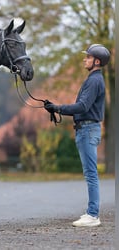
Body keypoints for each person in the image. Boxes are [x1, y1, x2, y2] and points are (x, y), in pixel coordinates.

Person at [44, 44, 110, 227]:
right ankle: (91, 212)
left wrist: (58, 108)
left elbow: (82, 107)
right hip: (86, 129)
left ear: (97, 61)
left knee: (91, 174)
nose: (84, 59)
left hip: (88, 130)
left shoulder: (94, 81)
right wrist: (57, 108)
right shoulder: (93, 79)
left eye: (88, 57)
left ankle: (93, 215)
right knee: (90, 173)